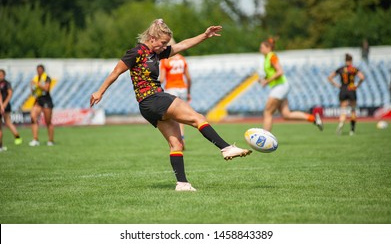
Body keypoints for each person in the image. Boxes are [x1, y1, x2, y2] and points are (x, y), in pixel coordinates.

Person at [90, 19, 251, 192]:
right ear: (152, 38)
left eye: (166, 44)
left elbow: (182, 45)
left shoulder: (156, 53)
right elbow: (116, 71)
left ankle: (182, 184)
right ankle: (226, 148)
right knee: (198, 118)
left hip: (147, 106)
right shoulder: (136, 52)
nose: (164, 46)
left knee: (176, 145)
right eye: (162, 43)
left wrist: (205, 35)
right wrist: (100, 91)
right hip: (154, 99)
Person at [259, 38, 323, 132]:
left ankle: (264, 138)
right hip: (281, 86)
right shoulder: (267, 58)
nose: (260, 49)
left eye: (262, 47)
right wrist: (264, 79)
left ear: (268, 47)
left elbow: (280, 71)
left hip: (280, 86)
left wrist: (267, 81)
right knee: (286, 115)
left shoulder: (271, 56)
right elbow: (272, 73)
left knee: (268, 112)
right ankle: (313, 118)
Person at [159, 38, 191, 148]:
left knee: (172, 117)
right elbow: (189, 78)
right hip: (183, 88)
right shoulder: (182, 59)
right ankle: (182, 138)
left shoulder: (165, 60)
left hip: (171, 89)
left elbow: (162, 79)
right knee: (182, 117)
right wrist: (188, 92)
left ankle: (177, 142)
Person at [328, 54, 365, 135]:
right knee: (353, 110)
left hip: (343, 89)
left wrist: (337, 85)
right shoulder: (354, 69)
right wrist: (357, 85)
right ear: (351, 60)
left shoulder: (341, 69)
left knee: (343, 110)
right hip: (351, 89)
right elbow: (362, 77)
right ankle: (352, 130)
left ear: (345, 60)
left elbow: (330, 77)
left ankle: (341, 125)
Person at [29, 65, 55, 146]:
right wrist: (32, 86)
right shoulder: (35, 78)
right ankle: (35, 139)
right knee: (33, 117)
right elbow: (33, 91)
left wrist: (37, 84)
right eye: (38, 70)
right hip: (38, 100)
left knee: (48, 122)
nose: (39, 71)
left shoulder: (47, 78)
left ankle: (50, 140)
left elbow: (46, 89)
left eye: (40, 70)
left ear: (43, 70)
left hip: (46, 100)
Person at [0, 69, 23, 151]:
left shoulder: (6, 83)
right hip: (1, 105)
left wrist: (4, 104)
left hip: (5, 105)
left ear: (4, 75)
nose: (0, 76)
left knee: (8, 122)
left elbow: (10, 94)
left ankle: (17, 137)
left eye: (1, 74)